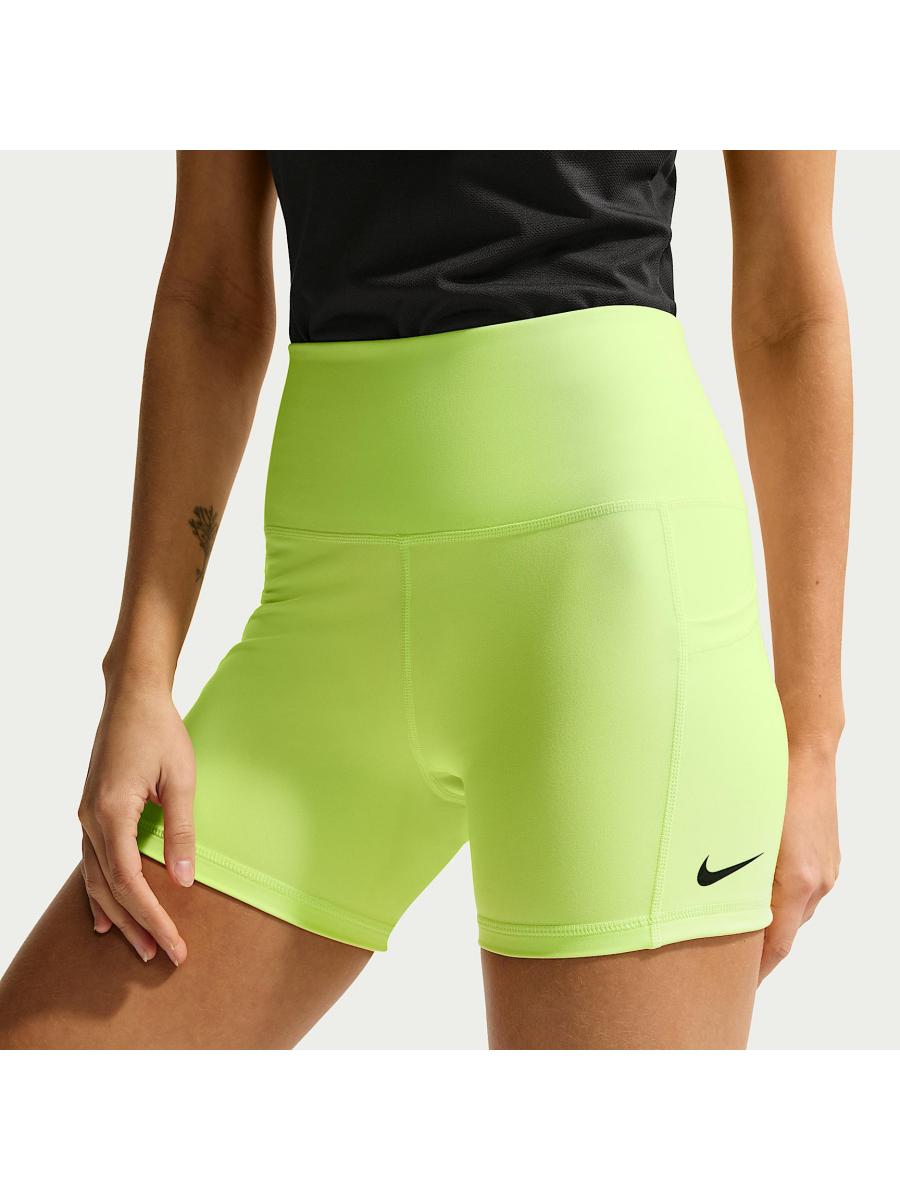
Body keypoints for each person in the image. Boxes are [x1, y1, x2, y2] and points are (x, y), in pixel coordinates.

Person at [0, 151, 850, 1049]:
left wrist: (813, 743)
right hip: (325, 618)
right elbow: (212, 300)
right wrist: (139, 672)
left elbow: (790, 308)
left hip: (610, 610)